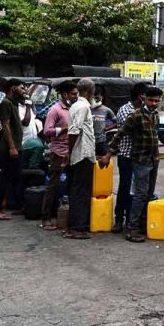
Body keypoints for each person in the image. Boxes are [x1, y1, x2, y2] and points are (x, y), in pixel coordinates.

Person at [100, 86, 162, 243]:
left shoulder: (155, 115)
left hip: (153, 159)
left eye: (157, 100)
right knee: (139, 194)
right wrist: (108, 154)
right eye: (151, 100)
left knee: (148, 193)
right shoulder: (135, 115)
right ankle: (132, 228)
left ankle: (141, 224)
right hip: (139, 160)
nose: (154, 103)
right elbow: (118, 136)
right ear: (144, 99)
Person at [112, 82, 148, 233]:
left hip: (140, 157)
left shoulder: (143, 110)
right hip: (127, 155)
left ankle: (135, 219)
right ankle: (119, 218)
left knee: (139, 190)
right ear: (141, 96)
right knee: (125, 188)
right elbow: (137, 132)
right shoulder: (126, 110)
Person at [40, 80, 76, 230]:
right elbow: (46, 131)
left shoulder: (74, 108)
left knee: (71, 185)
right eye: (73, 93)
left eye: (77, 93)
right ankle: (46, 218)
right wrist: (63, 129)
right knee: (52, 186)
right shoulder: (55, 110)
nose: (76, 96)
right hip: (58, 152)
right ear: (64, 94)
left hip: (72, 152)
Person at [65, 78, 96, 239]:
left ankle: (76, 226)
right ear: (90, 91)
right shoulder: (83, 106)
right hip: (82, 154)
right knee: (81, 192)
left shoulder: (77, 106)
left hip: (82, 154)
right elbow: (74, 131)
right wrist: (69, 152)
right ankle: (77, 228)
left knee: (78, 191)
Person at [0, 79, 25, 221]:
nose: (24, 91)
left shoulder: (14, 103)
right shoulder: (5, 103)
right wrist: (11, 147)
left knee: (17, 178)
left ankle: (19, 206)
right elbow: (6, 126)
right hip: (9, 149)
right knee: (4, 179)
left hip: (17, 147)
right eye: (22, 88)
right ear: (13, 88)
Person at [91, 85, 116, 157]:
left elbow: (117, 122)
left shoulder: (106, 110)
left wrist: (108, 128)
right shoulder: (87, 108)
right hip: (90, 141)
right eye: (93, 97)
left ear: (102, 97)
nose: (95, 100)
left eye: (97, 97)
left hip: (101, 141)